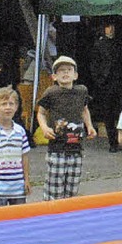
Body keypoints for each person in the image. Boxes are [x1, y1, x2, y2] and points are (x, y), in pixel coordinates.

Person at [37, 55, 97, 200]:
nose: (65, 73)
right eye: (61, 71)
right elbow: (41, 113)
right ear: (54, 76)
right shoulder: (51, 92)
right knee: (55, 188)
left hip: (76, 147)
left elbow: (84, 109)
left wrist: (89, 126)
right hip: (57, 148)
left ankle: (69, 216)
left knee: (72, 187)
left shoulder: (82, 90)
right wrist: (44, 128)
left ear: (75, 75)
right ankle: (52, 214)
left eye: (69, 70)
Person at [0, 86, 31, 207]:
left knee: (19, 218)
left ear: (16, 107)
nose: (8, 107)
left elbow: (24, 157)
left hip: (18, 187)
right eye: (3, 104)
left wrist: (26, 180)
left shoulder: (20, 132)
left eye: (11, 104)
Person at [89, 20, 122, 152]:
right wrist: (100, 80)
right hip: (105, 85)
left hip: (118, 83)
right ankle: (113, 142)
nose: (110, 29)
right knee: (108, 114)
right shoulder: (98, 45)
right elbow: (94, 65)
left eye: (112, 26)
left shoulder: (120, 44)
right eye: (107, 27)